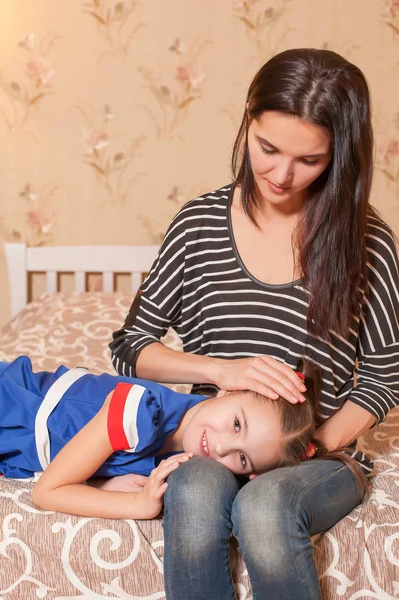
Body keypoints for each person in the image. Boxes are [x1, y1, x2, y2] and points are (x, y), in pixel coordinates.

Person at [110, 47, 399, 599]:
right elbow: (131, 347)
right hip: (215, 444)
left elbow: (386, 372)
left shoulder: (368, 241)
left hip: (318, 455)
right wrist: (222, 370)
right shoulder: (199, 224)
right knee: (194, 494)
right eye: (267, 148)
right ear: (248, 119)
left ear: (340, 156)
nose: (282, 175)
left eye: (310, 160)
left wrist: (304, 445)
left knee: (265, 505)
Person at [0, 355, 358, 519]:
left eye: (242, 457)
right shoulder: (138, 411)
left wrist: (101, 485)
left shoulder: (169, 462)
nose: (221, 447)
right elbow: (48, 492)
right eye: (236, 424)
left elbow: (75, 467)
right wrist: (136, 506)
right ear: (226, 391)